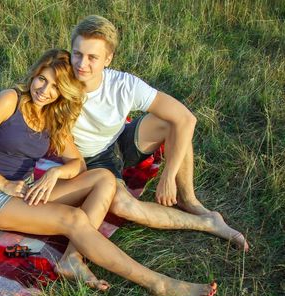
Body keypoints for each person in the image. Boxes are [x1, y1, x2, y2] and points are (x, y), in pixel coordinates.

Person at [0, 49, 217, 296]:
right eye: (42, 79)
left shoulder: (52, 116)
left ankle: (72, 259)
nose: (44, 90)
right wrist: (2, 183)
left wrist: (55, 172)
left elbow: (77, 163)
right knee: (74, 218)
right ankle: (158, 284)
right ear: (34, 74)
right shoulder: (10, 100)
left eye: (55, 86)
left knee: (104, 178)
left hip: (25, 188)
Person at [62, 16, 249, 278]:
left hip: (119, 139)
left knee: (170, 122)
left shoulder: (123, 84)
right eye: (78, 54)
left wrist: (168, 176)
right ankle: (207, 223)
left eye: (93, 57)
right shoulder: (60, 80)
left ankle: (188, 200)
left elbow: (186, 119)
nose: (82, 64)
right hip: (90, 159)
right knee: (123, 206)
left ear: (108, 59)